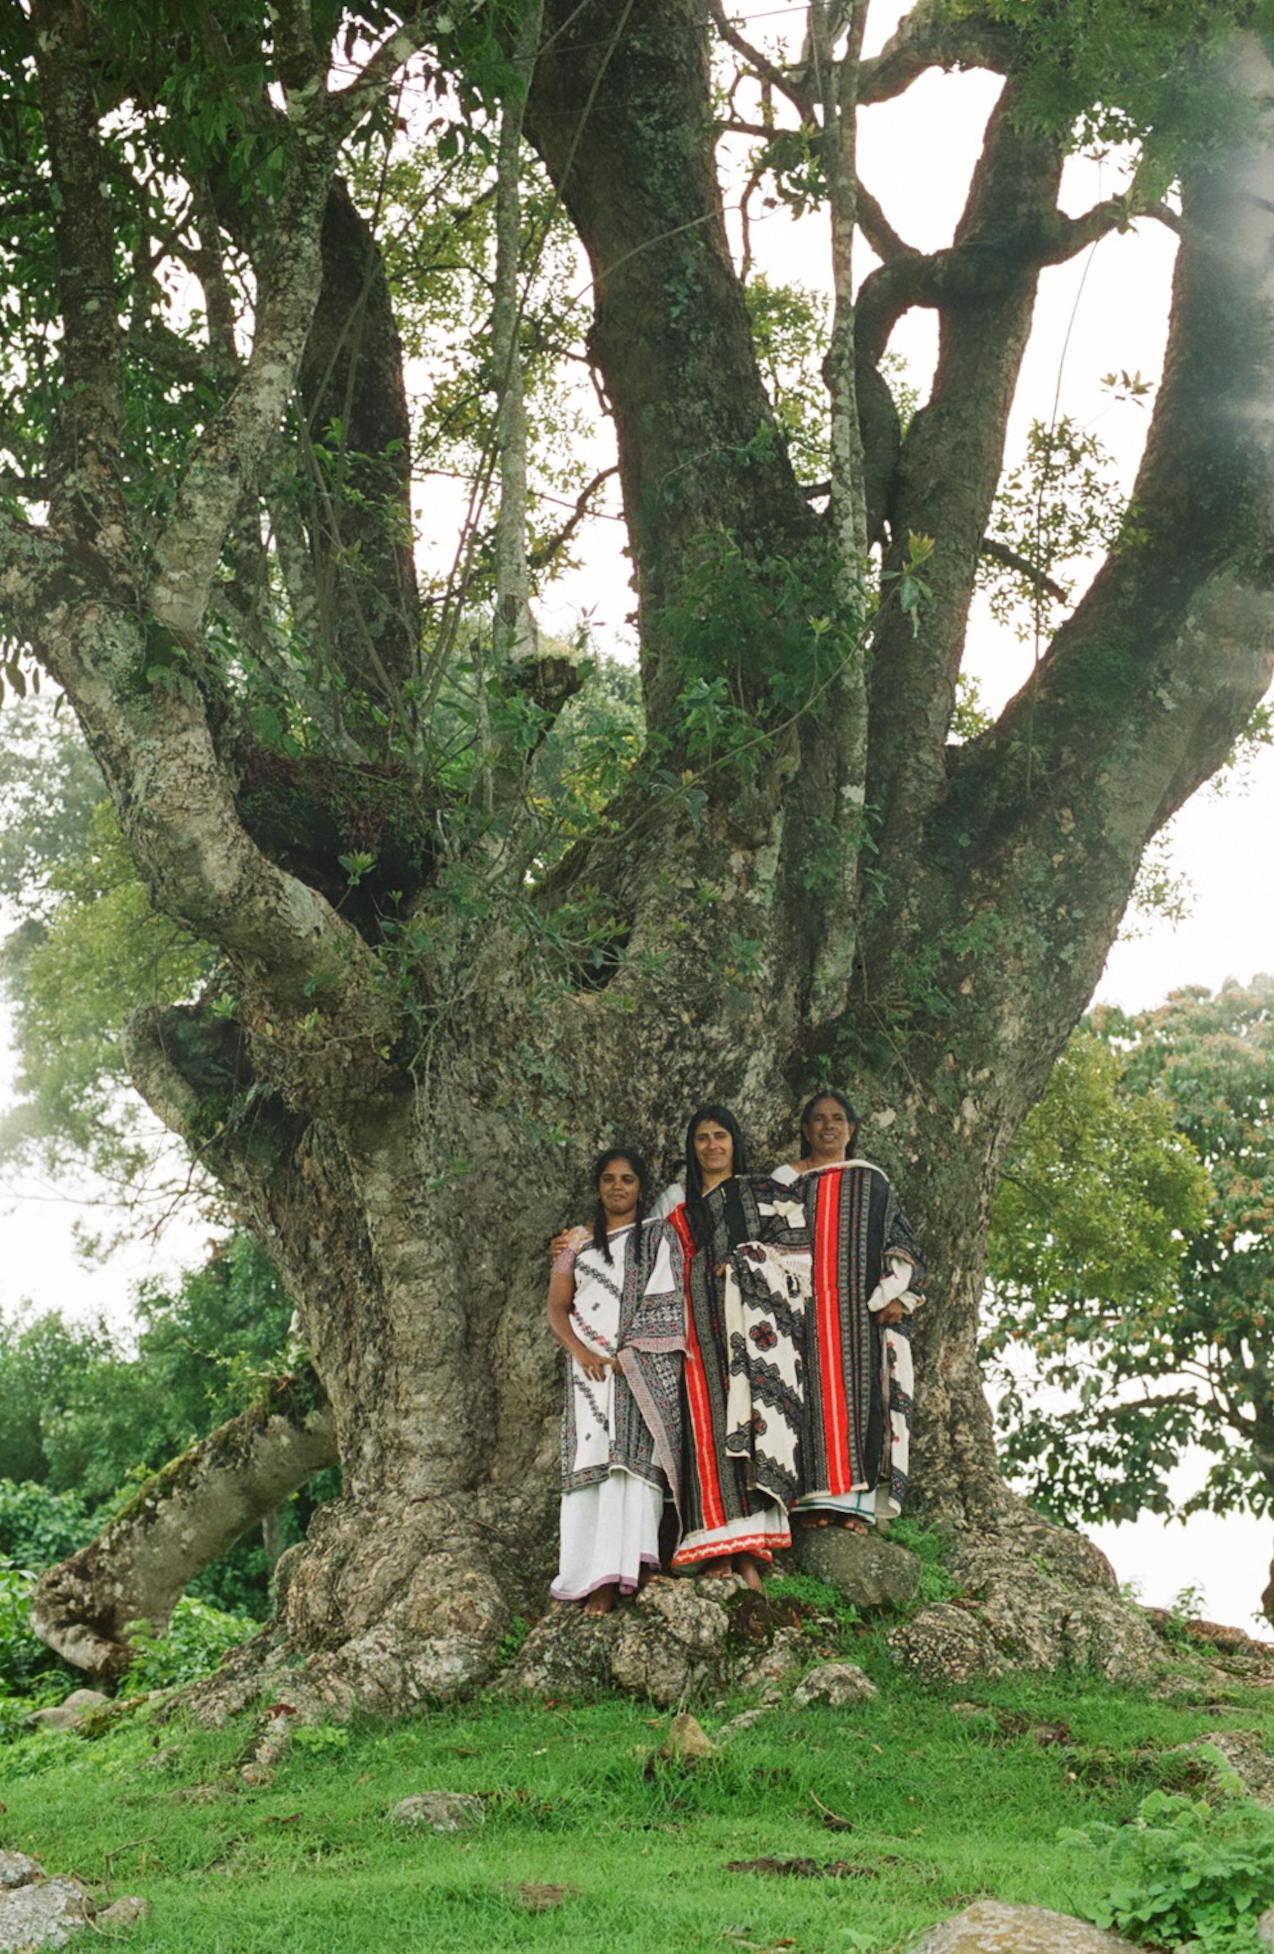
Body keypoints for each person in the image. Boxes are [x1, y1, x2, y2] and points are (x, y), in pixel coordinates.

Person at [666, 1105, 806, 1589]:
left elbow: (798, 1253)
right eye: (701, 1137)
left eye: (720, 1135)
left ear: (735, 1141)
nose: (711, 1145)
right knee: (705, 1432)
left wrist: (749, 1261)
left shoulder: (763, 1194)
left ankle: (751, 1549)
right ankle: (716, 1547)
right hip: (696, 1336)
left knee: (751, 1429)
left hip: (752, 1334)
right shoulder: (678, 1208)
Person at [780, 1091, 925, 1536]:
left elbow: (901, 1240)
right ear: (805, 1130)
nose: (828, 1127)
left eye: (838, 1119)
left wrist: (899, 1294)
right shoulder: (784, 1180)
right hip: (801, 1310)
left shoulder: (872, 1182)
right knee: (805, 1400)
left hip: (859, 1315)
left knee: (860, 1402)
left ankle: (854, 1507)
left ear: (853, 1128)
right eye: (818, 1119)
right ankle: (809, 1504)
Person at [546, 1148, 685, 1615]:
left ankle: (634, 1564)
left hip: (638, 1370)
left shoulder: (659, 1237)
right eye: (609, 1179)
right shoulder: (576, 1245)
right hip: (588, 1375)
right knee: (592, 1466)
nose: (618, 1187)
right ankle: (592, 1576)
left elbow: (669, 1299)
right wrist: (581, 1352)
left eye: (627, 1179)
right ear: (598, 1186)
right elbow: (555, 1308)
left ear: (641, 1187)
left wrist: (635, 1355)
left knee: (635, 1470)